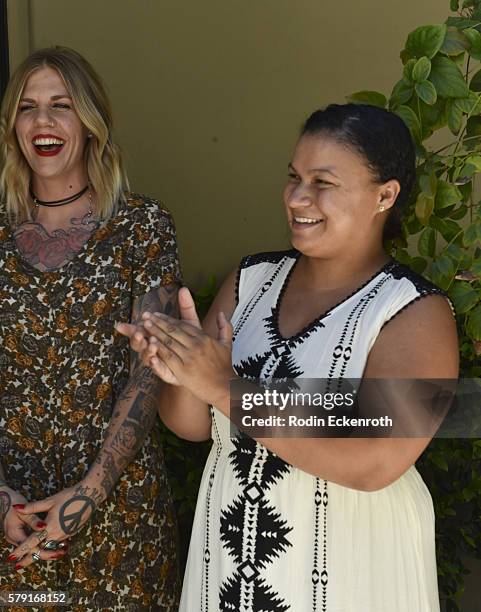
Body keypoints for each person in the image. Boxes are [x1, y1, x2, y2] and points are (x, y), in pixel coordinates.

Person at [120, 104, 459, 611]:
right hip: (232, 557)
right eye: (294, 177)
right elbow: (191, 426)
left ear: (384, 196)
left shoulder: (415, 311)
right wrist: (183, 369)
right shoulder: (251, 281)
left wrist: (224, 387)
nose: (298, 197)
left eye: (323, 182)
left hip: (348, 562)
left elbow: (375, 460)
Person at [0, 46, 180, 610]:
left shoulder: (141, 226)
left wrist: (90, 493)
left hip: (120, 510)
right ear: (13, 126)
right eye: (27, 108)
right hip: (15, 516)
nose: (43, 122)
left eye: (61, 105)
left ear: (91, 122)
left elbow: (149, 373)